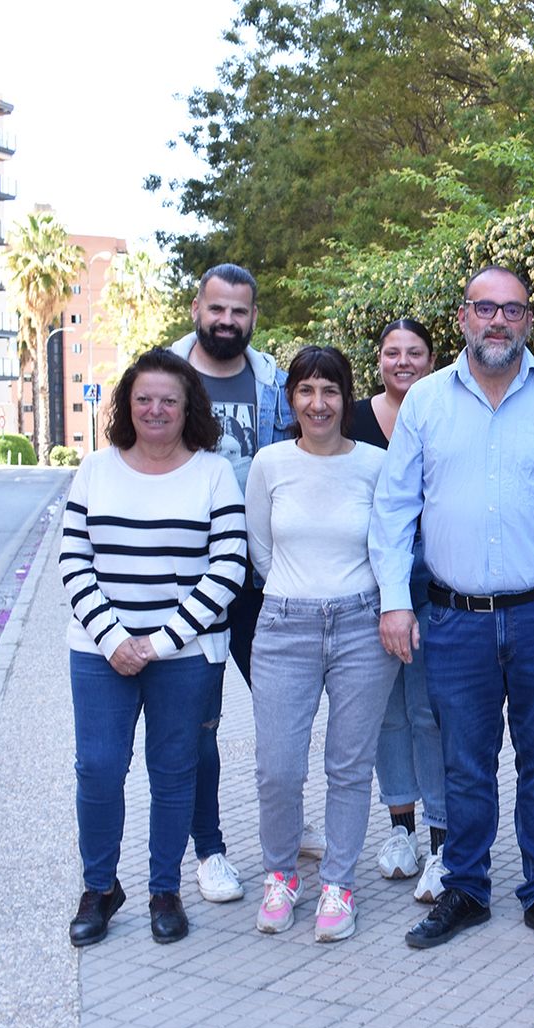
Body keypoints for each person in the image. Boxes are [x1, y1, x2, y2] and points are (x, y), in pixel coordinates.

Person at [373, 265, 534, 954]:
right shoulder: (424, 401)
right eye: (486, 308)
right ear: (462, 318)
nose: (498, 322)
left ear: (529, 321)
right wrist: (395, 602)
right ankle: (467, 888)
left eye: (512, 310)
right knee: (465, 763)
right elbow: (393, 510)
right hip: (454, 621)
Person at [60, 350, 246, 947]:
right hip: (98, 654)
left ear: (188, 405)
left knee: (173, 773)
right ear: (127, 405)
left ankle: (164, 888)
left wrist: (161, 642)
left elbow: (227, 568)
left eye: (169, 399)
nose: (156, 409)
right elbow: (72, 561)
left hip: (184, 655)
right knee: (99, 768)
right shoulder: (95, 469)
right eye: (144, 398)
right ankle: (100, 887)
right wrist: (114, 640)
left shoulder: (213, 472)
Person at [245, 345, 399, 942]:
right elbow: (260, 549)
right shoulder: (270, 463)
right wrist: (294, 588)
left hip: (362, 624)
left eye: (330, 390)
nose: (318, 403)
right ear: (291, 400)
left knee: (349, 765)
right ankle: (281, 876)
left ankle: (338, 883)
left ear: (346, 398)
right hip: (285, 624)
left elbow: (389, 546)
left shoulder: (374, 465)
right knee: (276, 768)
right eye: (306, 391)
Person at [169, 263, 296, 905]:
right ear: (198, 307)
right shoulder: (164, 375)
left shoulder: (274, 380)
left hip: (256, 581)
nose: (227, 321)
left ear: (253, 315)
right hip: (184, 582)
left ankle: (283, 830)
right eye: (217, 309)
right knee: (200, 723)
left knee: (283, 708)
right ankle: (209, 848)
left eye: (239, 311)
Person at [349, 319, 448, 901]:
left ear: (431, 359)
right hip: (374, 581)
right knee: (387, 712)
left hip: (434, 580)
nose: (403, 362)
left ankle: (441, 840)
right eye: (392, 352)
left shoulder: (440, 411)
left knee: (429, 711)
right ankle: (399, 830)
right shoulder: (356, 420)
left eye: (415, 352)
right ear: (378, 359)